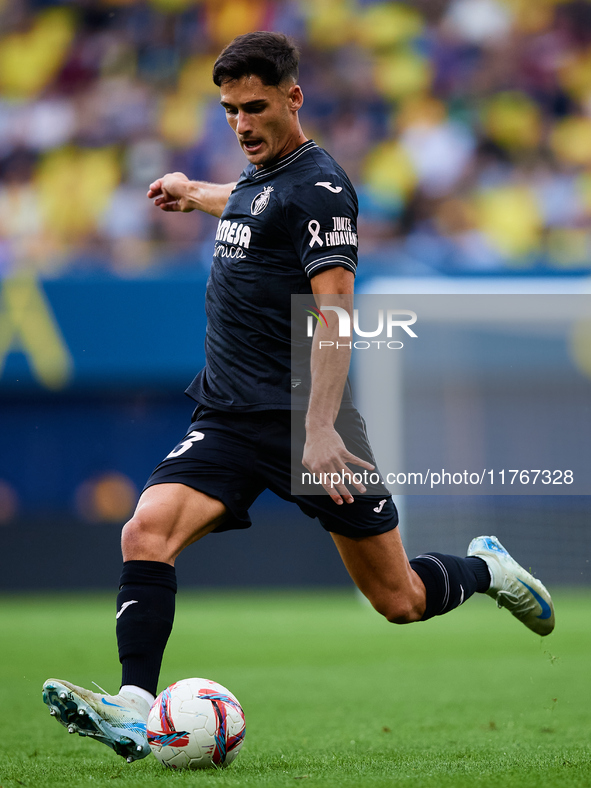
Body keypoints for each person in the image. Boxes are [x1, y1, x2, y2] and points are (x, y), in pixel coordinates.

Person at [42, 31, 555, 763]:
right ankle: (132, 706)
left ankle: (485, 570)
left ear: (293, 97)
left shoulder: (320, 185)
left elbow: (337, 314)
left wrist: (317, 429)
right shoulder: (260, 176)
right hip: (226, 413)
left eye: (255, 107)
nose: (241, 124)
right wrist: (193, 192)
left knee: (399, 599)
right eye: (227, 111)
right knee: (144, 532)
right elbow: (254, 210)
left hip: (307, 424)